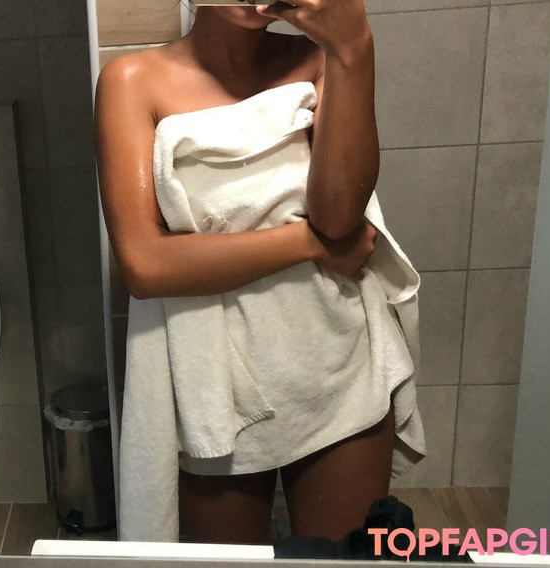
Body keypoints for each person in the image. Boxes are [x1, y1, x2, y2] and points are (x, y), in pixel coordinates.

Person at [95, 0, 415, 546]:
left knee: (349, 558)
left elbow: (340, 219)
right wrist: (307, 243)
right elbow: (144, 266)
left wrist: (354, 48)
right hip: (214, 381)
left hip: (335, 358)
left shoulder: (322, 59)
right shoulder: (132, 80)